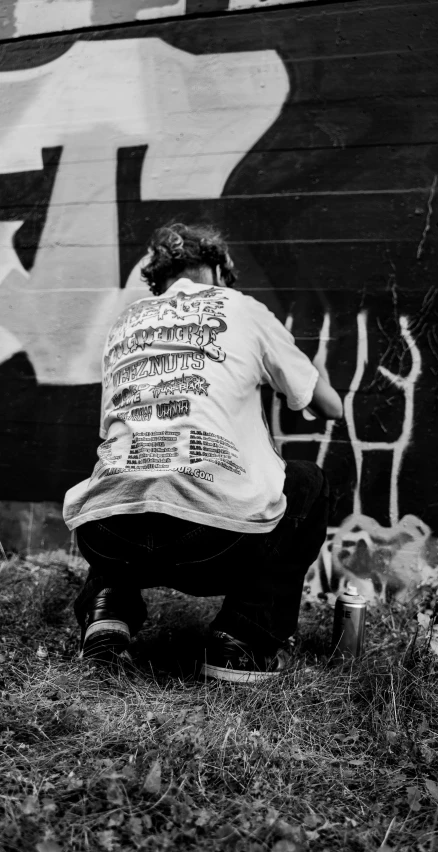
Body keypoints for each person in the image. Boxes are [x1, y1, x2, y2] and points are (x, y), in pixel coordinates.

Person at [63, 223, 343, 682]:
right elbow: (328, 406)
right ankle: (241, 640)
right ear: (217, 268)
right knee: (309, 482)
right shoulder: (242, 308)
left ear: (160, 278)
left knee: (128, 469)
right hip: (212, 545)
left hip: (107, 539)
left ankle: (106, 611)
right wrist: (296, 368)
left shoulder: (126, 321)